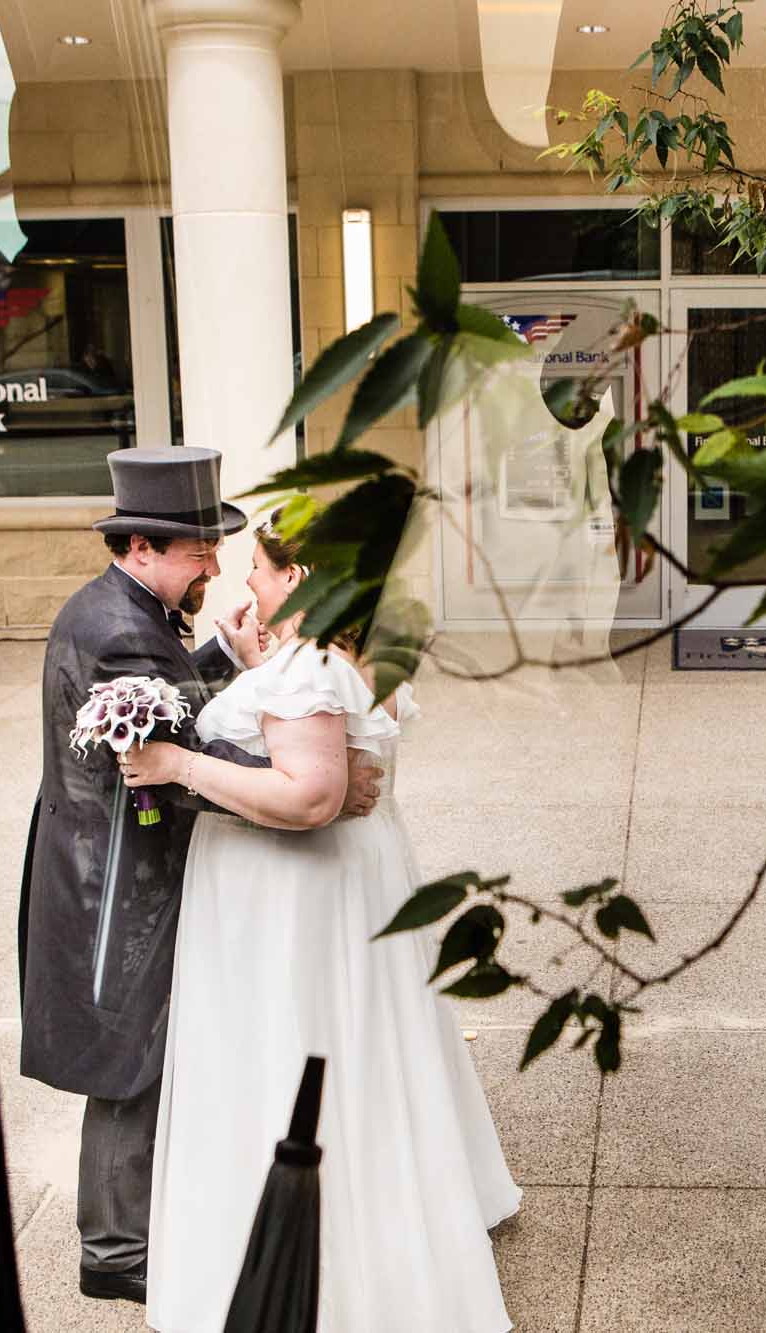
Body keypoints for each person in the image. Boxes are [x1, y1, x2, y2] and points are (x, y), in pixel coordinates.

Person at [121, 523, 520, 1333]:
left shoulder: (311, 668)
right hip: (352, 880)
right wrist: (254, 664)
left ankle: (331, 1252)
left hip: (293, 898)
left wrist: (178, 765)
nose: (246, 591)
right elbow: (332, 750)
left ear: (299, 574)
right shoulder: (342, 653)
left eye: (259, 574)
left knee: (293, 1046)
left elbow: (309, 798)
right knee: (364, 1046)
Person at [18, 446, 382, 1306]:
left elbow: (175, 703)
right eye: (196, 551)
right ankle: (114, 1251)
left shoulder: (127, 610)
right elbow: (171, 750)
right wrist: (305, 772)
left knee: (145, 1046)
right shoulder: (113, 630)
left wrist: (222, 654)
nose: (214, 566)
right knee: (127, 1054)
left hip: (123, 860)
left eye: (220, 550)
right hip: (113, 878)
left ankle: (131, 1228)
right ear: (140, 547)